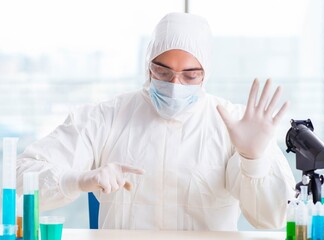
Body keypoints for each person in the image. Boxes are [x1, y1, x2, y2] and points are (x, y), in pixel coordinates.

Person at [16, 12, 296, 230]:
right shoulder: (105, 117)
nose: (175, 85)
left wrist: (253, 159)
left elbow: (272, 219)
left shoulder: (235, 125)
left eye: (190, 75)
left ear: (206, 73)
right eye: (163, 72)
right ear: (148, 66)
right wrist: (77, 179)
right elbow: (20, 177)